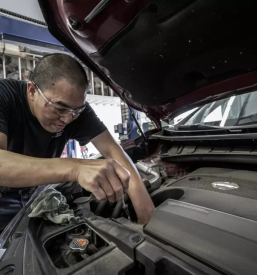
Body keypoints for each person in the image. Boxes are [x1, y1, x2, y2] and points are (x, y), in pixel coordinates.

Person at [0, 53, 154, 232]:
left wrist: (146, 214)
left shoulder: (74, 110)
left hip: (34, 194)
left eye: (76, 111)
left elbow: (113, 152)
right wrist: (75, 168)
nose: (67, 119)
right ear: (32, 91)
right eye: (58, 109)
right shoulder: (5, 95)